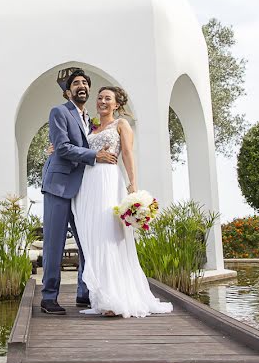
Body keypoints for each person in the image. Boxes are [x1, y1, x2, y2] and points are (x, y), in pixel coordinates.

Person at [70, 87, 173, 318]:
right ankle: (101, 297)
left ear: (116, 104)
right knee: (93, 238)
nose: (102, 101)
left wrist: (132, 185)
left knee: (109, 235)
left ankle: (115, 297)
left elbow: (127, 153)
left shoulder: (121, 125)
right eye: (100, 98)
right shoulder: (91, 128)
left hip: (108, 181)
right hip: (88, 184)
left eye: (108, 98)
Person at [40, 69, 118, 315]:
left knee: (87, 239)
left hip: (84, 189)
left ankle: (84, 293)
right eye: (76, 83)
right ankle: (49, 297)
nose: (81, 86)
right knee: (55, 243)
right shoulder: (59, 112)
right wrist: (95, 155)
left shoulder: (90, 122)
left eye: (85, 82)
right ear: (67, 91)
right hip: (59, 186)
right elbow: (62, 147)